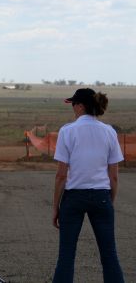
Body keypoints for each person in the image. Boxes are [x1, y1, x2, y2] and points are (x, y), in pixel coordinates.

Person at [52, 88, 124, 282]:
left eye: (73, 104)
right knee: (109, 255)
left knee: (66, 256)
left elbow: (61, 175)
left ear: (81, 106)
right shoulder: (109, 132)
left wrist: (55, 207)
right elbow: (114, 175)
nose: (72, 109)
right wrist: (109, 201)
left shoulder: (67, 131)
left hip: (73, 197)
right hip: (102, 196)